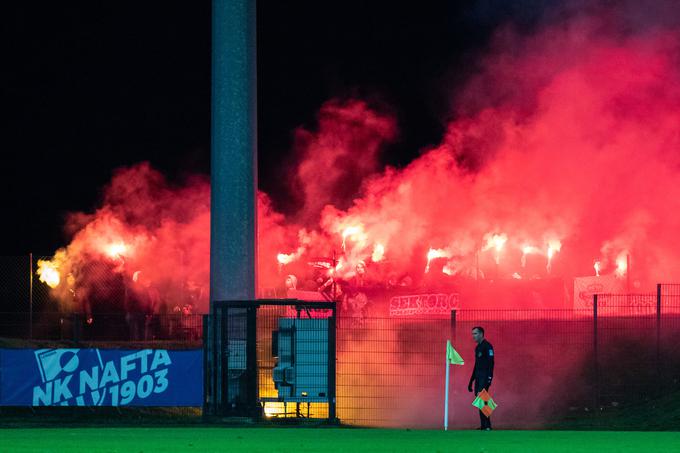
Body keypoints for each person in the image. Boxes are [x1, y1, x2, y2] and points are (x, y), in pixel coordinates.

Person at [467, 326, 494, 430]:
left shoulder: (488, 346)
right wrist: (471, 380)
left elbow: (491, 363)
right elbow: (476, 365)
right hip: (478, 377)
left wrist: (490, 377)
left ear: (481, 334)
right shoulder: (477, 348)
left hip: (484, 377)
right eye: (472, 334)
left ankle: (488, 425)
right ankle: (483, 425)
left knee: (483, 399)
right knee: (480, 400)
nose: (473, 336)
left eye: (475, 333)